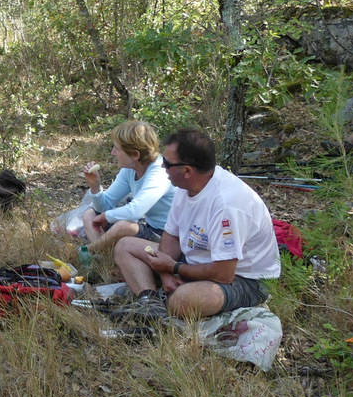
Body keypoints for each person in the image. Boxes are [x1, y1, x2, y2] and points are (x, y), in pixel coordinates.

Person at [112, 128, 280, 320]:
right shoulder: (185, 186)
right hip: (194, 261)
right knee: (125, 246)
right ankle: (149, 302)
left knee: (182, 300)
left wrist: (174, 268)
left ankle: (163, 299)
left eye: (167, 164)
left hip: (244, 279)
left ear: (187, 171)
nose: (162, 168)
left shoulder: (227, 204)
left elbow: (224, 274)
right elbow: (172, 234)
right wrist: (166, 273)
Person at [80, 120, 175, 252]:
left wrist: (106, 216)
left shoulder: (159, 172)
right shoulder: (130, 169)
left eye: (117, 149)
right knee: (89, 214)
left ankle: (88, 251)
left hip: (167, 236)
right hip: (149, 227)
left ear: (135, 155)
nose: (113, 152)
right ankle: (103, 256)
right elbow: (105, 205)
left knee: (124, 226)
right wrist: (95, 186)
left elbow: (135, 211)